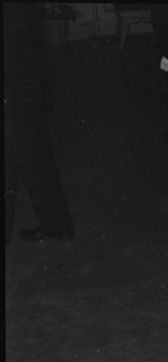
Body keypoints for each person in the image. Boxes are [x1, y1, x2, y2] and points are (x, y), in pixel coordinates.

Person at [3, 2, 74, 244]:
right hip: (28, 86)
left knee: (20, 160)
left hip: (15, 90)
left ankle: (55, 224)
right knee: (35, 159)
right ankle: (58, 225)